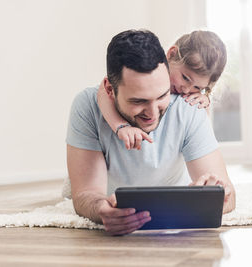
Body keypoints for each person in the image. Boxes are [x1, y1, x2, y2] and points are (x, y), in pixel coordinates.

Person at [66, 29, 236, 236]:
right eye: (139, 101)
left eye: (163, 96)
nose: (153, 113)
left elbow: (229, 196)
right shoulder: (89, 105)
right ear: (110, 90)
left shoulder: (189, 106)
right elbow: (86, 194)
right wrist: (99, 209)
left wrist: (219, 193)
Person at [97, 30, 226, 150]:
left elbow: (202, 137)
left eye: (198, 87)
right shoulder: (151, 69)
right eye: (185, 78)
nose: (186, 90)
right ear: (171, 54)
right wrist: (120, 126)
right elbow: (103, 91)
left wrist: (204, 101)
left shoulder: (191, 100)